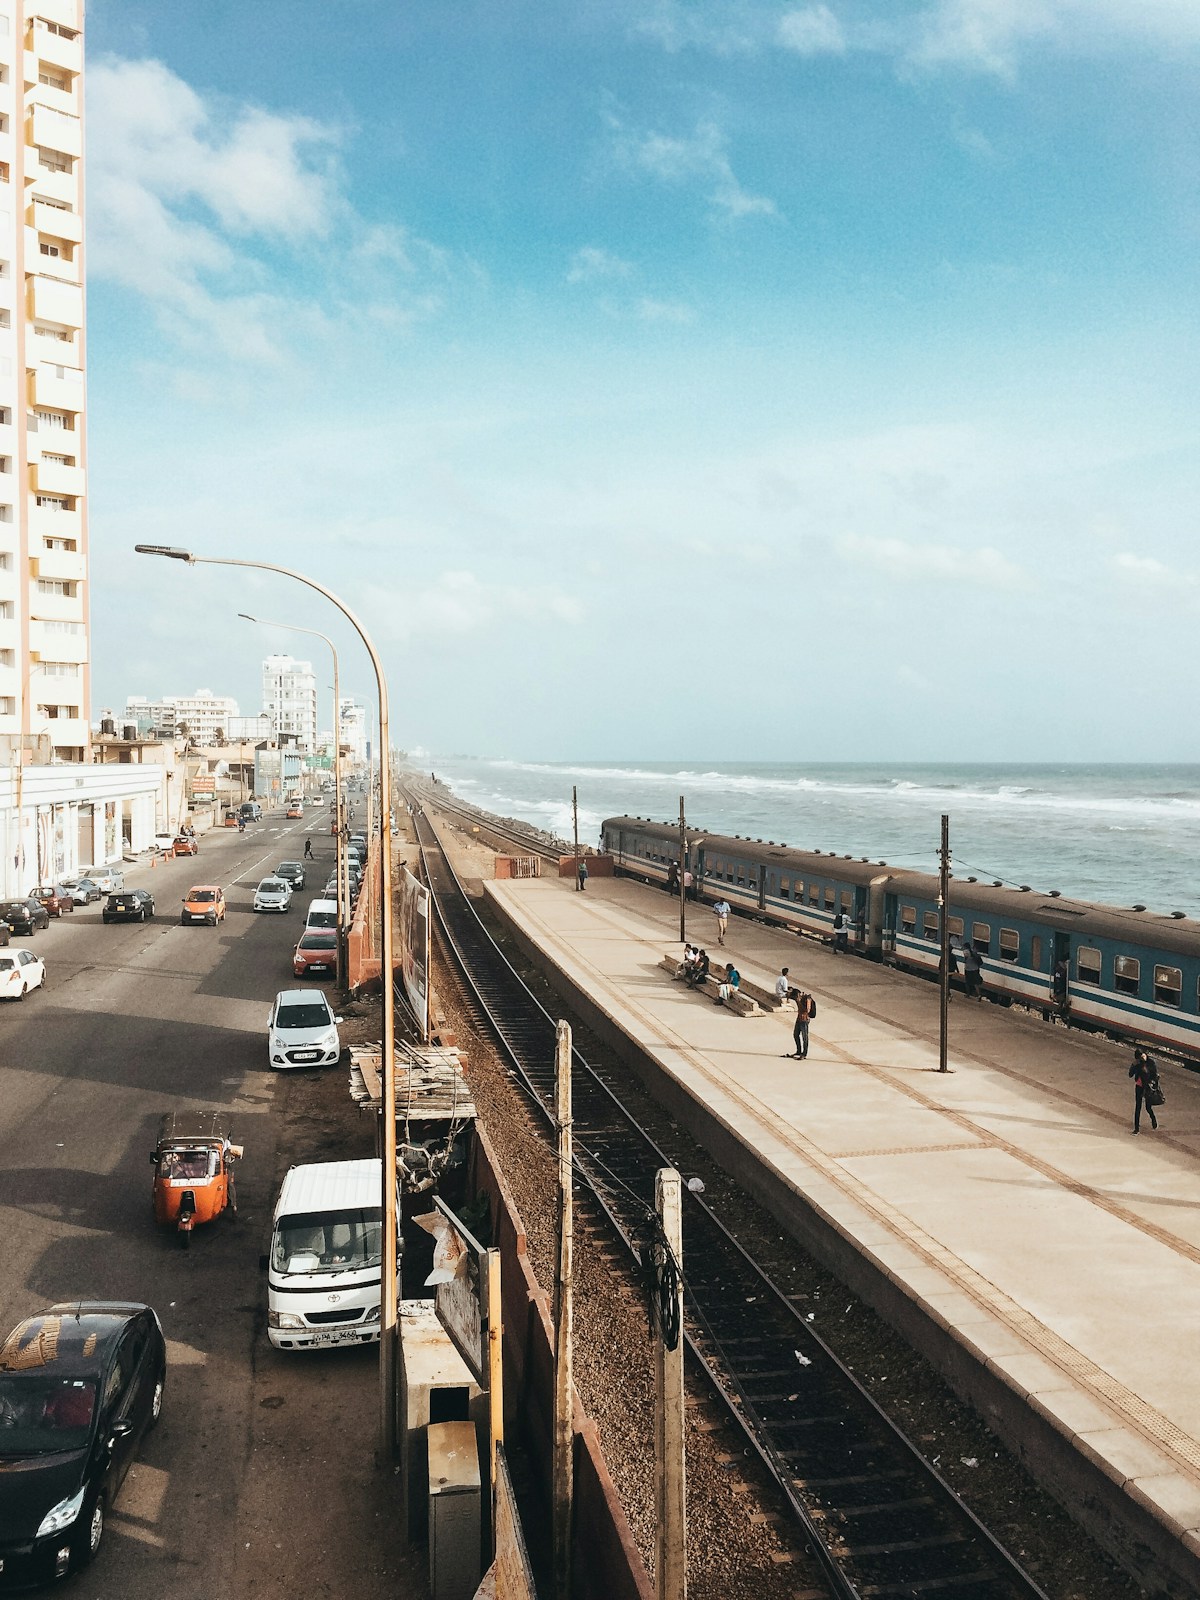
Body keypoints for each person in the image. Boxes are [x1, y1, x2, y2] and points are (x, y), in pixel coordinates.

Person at [1129, 1048, 1161, 1134]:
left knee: (1148, 1107)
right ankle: (1136, 1128)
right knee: (1138, 1107)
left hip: (1148, 1087)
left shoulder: (1151, 1063)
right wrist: (1133, 1065)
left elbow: (1154, 1075)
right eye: (1140, 1057)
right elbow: (1130, 1075)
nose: (1142, 1057)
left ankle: (1153, 1119)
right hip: (1139, 1086)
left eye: (1143, 1055)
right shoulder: (1137, 1063)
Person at [791, 990, 815, 1058]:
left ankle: (804, 1053)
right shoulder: (798, 998)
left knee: (805, 1037)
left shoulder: (807, 999)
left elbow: (807, 1010)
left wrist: (799, 1002)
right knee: (795, 1034)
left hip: (804, 1020)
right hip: (799, 1018)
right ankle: (798, 1051)